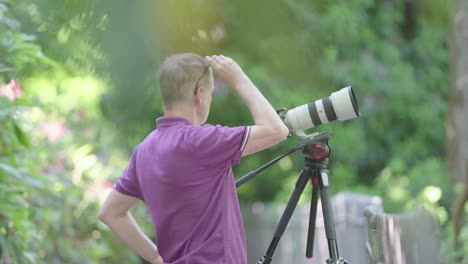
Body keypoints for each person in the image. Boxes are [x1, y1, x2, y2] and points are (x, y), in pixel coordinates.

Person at [98, 53, 289, 264]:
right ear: (199, 94)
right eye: (211, 94)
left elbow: (110, 213)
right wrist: (239, 79)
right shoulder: (201, 141)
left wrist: (155, 258)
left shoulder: (144, 151)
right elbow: (276, 130)